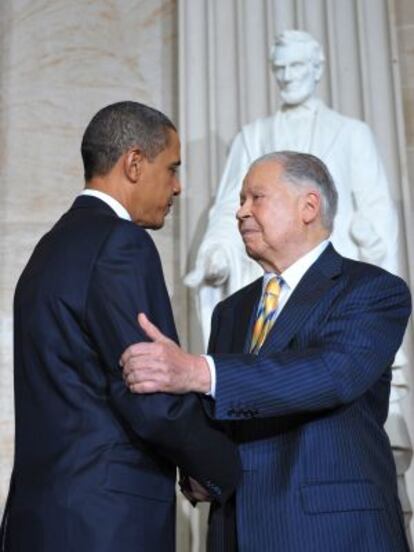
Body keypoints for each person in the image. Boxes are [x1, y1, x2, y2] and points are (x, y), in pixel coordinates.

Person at [121, 152, 411, 551]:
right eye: (240, 200)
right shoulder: (231, 310)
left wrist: (197, 372)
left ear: (308, 206)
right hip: (235, 531)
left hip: (332, 533)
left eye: (256, 198)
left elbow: (331, 374)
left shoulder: (371, 290)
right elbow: (224, 413)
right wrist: (198, 471)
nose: (240, 212)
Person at [0, 101, 241, 552]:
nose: (177, 186)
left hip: (38, 519)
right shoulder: (121, 243)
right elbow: (151, 391)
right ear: (134, 163)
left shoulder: (48, 250)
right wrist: (225, 468)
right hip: (106, 523)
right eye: (171, 168)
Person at [185, 30, 399, 346]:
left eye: (296, 66)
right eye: (279, 68)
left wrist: (372, 242)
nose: (286, 77)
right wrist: (218, 250)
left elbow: (378, 208)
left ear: (318, 68)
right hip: (263, 285)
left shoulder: (352, 133)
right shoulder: (253, 136)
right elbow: (230, 207)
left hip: (333, 287)